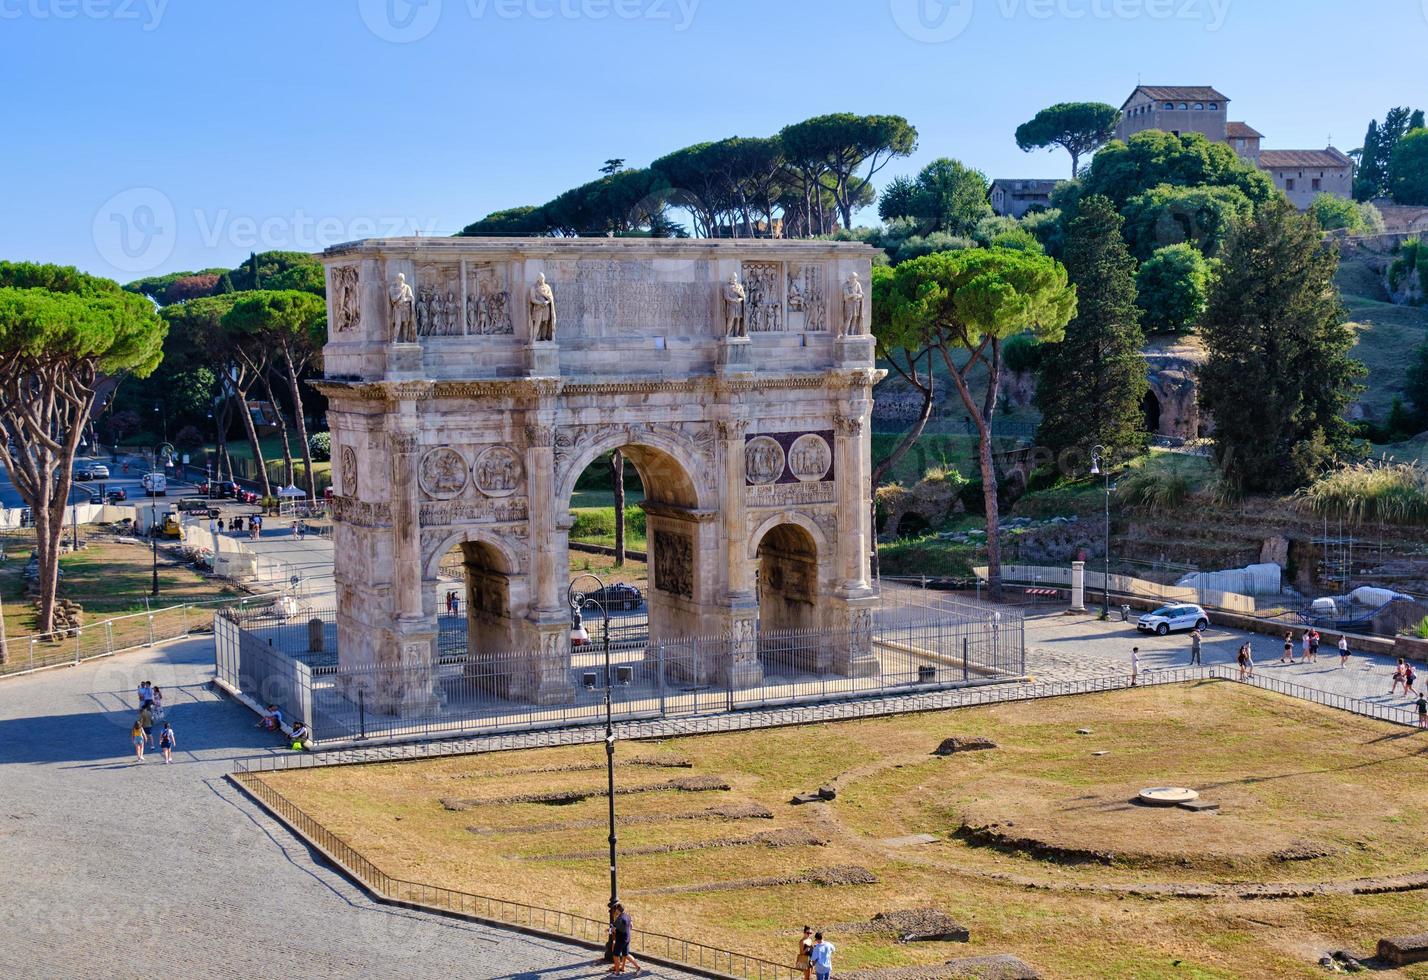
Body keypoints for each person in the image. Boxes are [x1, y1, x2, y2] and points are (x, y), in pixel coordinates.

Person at [608, 901, 640, 975]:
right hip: (627, 938)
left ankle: (617, 972)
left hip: (620, 939)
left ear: (617, 910)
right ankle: (638, 967)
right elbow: (631, 925)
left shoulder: (619, 919)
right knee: (626, 954)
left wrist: (608, 930)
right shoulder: (627, 916)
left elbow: (613, 930)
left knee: (616, 955)